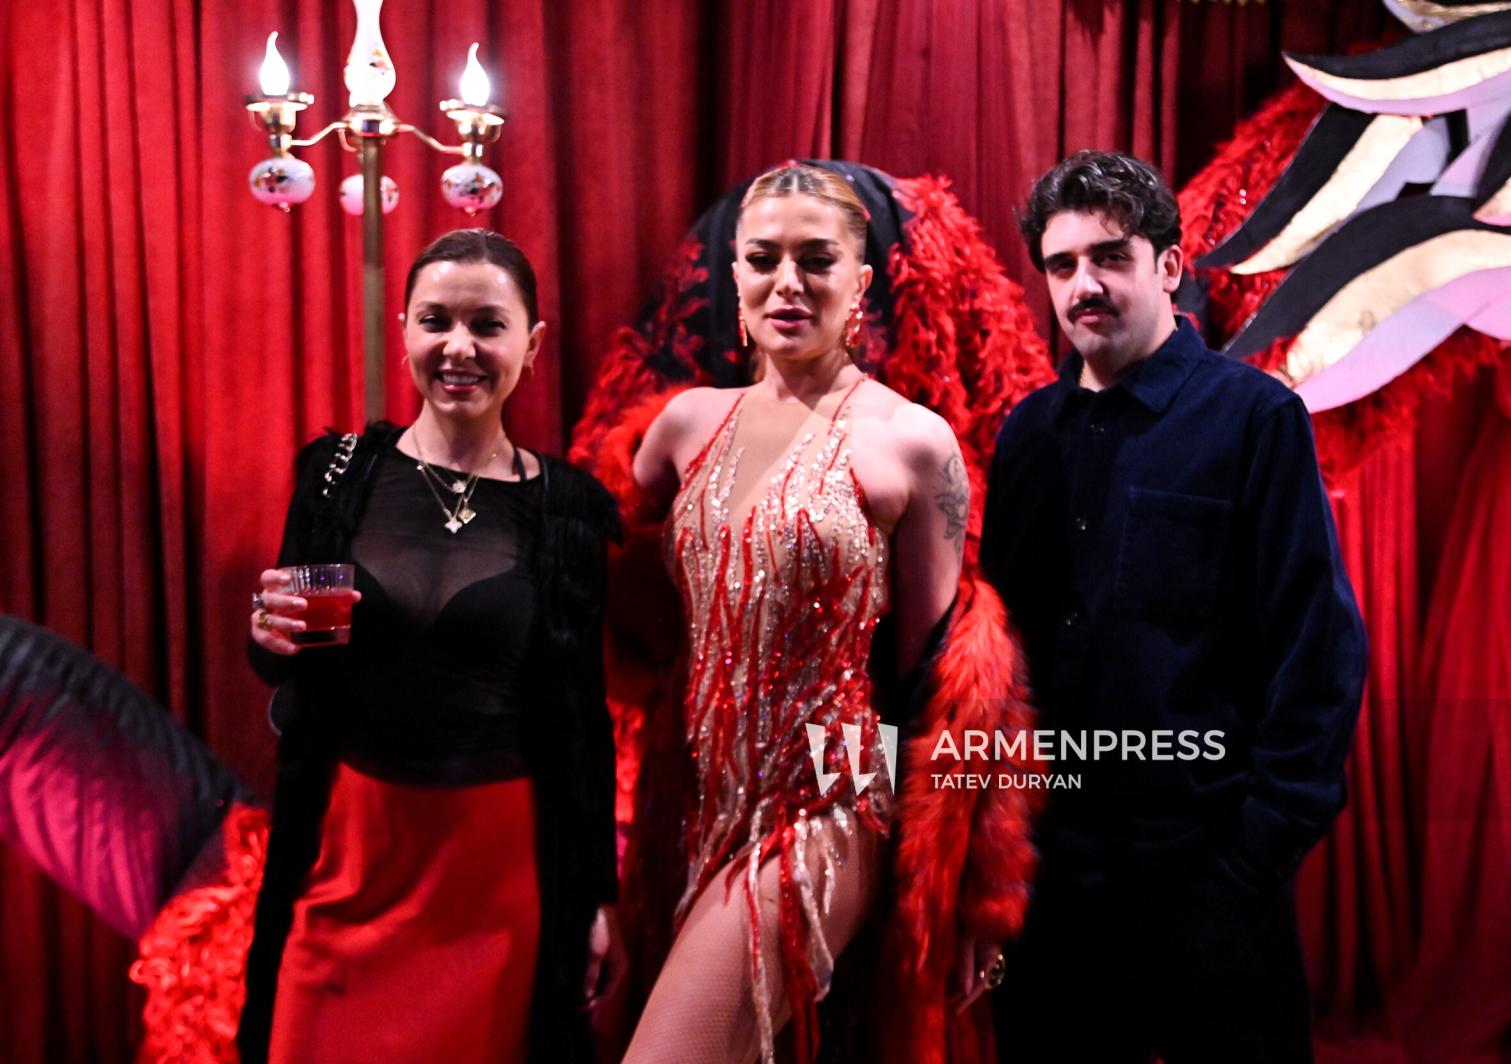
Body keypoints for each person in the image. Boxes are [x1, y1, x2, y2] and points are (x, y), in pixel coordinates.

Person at [981, 150, 1368, 1062]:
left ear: (1168, 266)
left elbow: (1318, 650)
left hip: (1209, 877)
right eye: (1062, 265)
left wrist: (1252, 857)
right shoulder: (1028, 435)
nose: (1084, 284)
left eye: (1110, 257)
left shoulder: (1255, 418)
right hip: (1052, 887)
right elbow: (999, 658)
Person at [618, 163, 1009, 1064]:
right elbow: (611, 600)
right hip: (694, 806)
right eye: (764, 259)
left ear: (860, 282)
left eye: (816, 260)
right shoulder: (682, 426)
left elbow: (936, 681)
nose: (787, 282)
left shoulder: (911, 443)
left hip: (824, 807)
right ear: (735, 277)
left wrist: (958, 888)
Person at [239, 228, 624, 1064]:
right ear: (405, 330)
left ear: (532, 344)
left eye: (488, 325)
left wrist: (596, 896)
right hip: (348, 853)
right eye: (436, 320)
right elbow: (291, 662)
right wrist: (266, 634)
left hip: (493, 878)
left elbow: (580, 718)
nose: (459, 347)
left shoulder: (567, 508)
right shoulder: (339, 474)